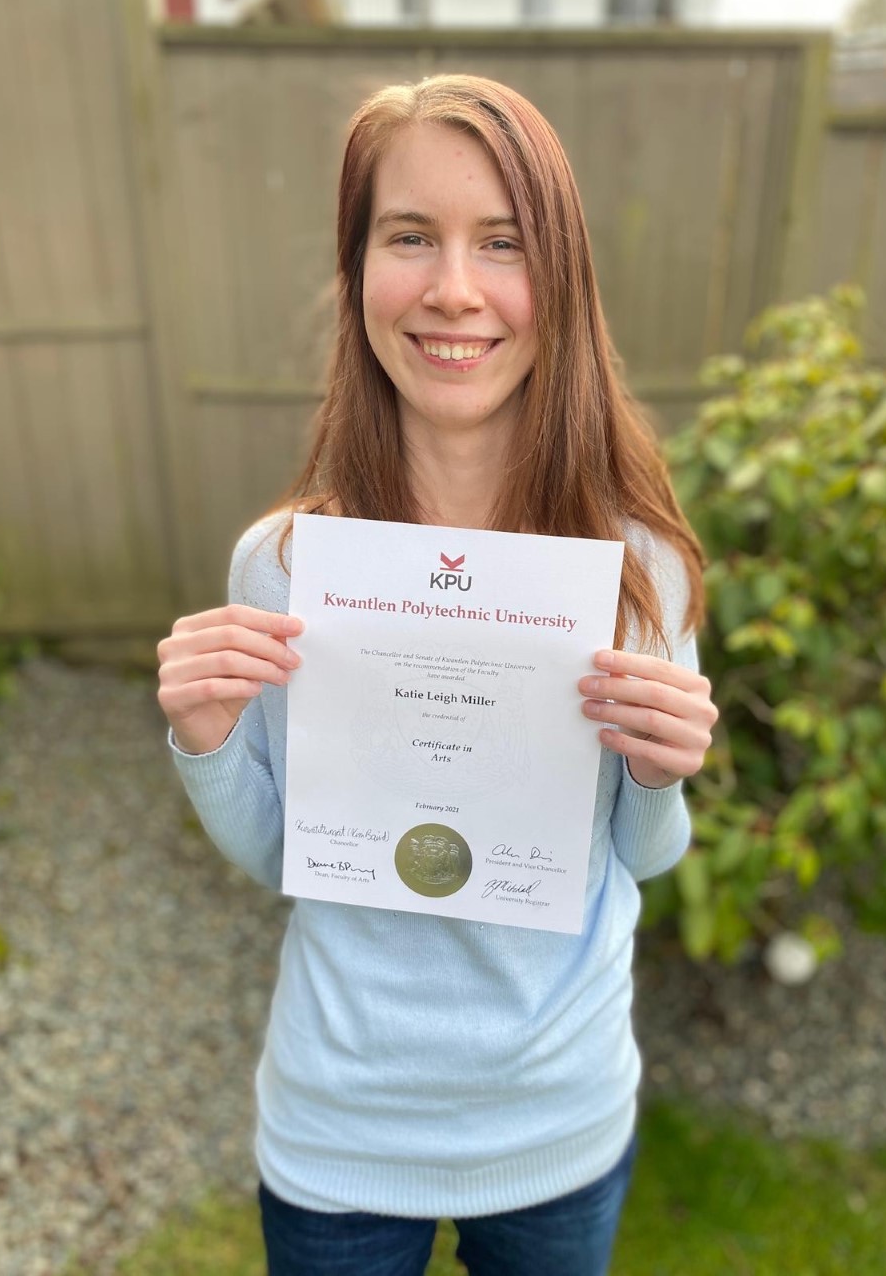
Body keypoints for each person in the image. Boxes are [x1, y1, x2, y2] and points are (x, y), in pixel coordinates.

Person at [157, 75, 718, 1276]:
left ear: (557, 279)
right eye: (410, 236)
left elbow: (645, 854)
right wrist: (208, 740)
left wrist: (662, 773)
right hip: (341, 1119)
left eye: (502, 243)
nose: (454, 288)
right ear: (358, 268)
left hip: (556, 1115)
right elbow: (280, 857)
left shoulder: (638, 565)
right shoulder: (284, 562)